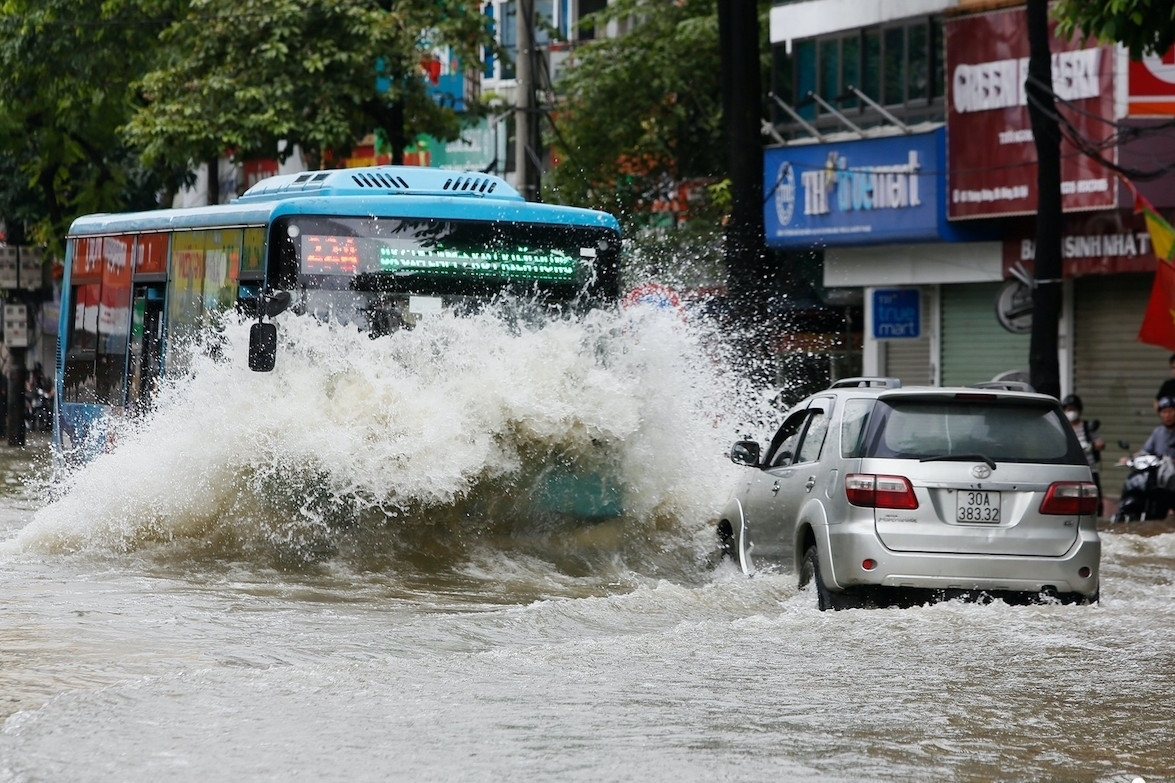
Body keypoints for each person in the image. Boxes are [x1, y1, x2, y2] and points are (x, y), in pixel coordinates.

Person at [1062, 394, 1104, 515]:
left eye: (1073, 409)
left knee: (1096, 499)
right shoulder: (1063, 428)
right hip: (1070, 469)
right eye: (1068, 409)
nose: (1071, 412)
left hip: (1090, 469)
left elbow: (1101, 444)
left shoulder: (1087, 427)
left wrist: (1090, 445)